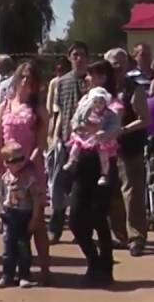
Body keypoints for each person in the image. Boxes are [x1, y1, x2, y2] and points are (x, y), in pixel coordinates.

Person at [0, 61, 52, 284]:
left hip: (30, 167)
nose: (26, 82)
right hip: (8, 167)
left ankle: (44, 268)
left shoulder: (38, 109)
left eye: (31, 78)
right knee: (10, 219)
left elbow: (41, 142)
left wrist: (28, 162)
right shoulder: (4, 106)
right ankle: (12, 270)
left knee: (36, 220)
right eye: (24, 77)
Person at [69, 60, 121, 286]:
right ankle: (93, 260)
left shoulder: (114, 104)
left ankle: (104, 269)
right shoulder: (84, 101)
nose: (87, 79)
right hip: (83, 161)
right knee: (76, 219)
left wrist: (92, 128)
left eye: (91, 76)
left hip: (103, 164)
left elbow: (111, 131)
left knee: (99, 218)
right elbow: (75, 124)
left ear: (102, 77)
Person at [104, 48, 151, 256]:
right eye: (113, 64)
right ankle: (119, 235)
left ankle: (137, 237)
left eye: (121, 64)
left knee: (132, 193)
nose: (117, 68)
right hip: (107, 150)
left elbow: (145, 119)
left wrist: (122, 130)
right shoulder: (102, 90)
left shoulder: (134, 89)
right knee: (111, 192)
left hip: (129, 147)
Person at [47, 42, 90, 242]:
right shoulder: (61, 83)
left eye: (82, 55)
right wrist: (54, 138)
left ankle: (80, 229)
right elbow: (58, 113)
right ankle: (55, 227)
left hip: (87, 143)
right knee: (59, 184)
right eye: (75, 55)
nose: (79, 58)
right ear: (69, 57)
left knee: (81, 187)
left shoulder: (92, 82)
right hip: (65, 140)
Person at [0, 142, 44, 289]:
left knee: (24, 247)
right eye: (13, 160)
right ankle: (7, 276)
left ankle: (24, 276)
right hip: (9, 214)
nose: (19, 163)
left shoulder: (29, 177)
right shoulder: (5, 178)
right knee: (8, 248)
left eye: (21, 159)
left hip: (24, 215)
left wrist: (35, 218)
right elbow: (0, 199)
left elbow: (36, 198)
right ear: (6, 163)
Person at [63, 88, 119, 185]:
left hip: (100, 139)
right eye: (95, 102)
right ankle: (72, 161)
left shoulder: (110, 114)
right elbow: (76, 122)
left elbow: (114, 127)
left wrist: (104, 132)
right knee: (76, 145)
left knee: (103, 154)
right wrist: (81, 128)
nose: (98, 105)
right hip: (85, 139)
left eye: (101, 102)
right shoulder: (85, 111)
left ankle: (104, 174)